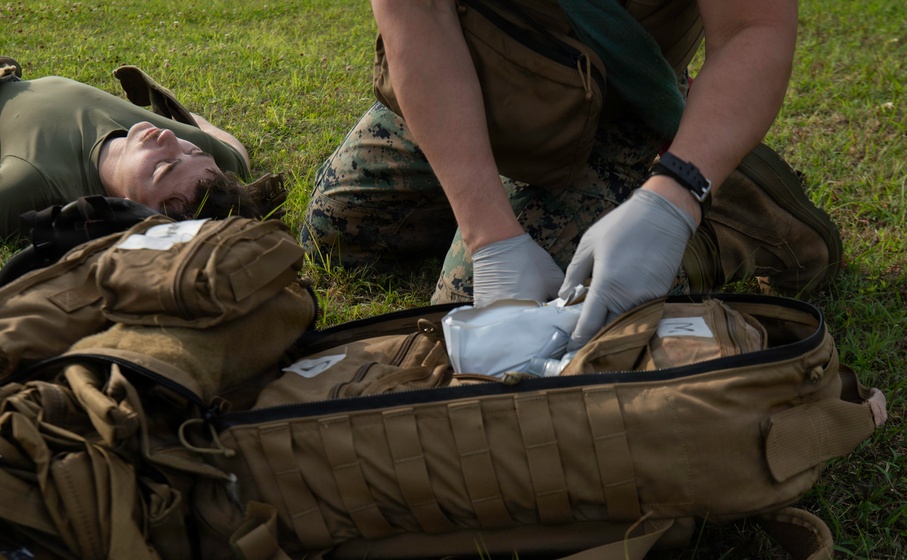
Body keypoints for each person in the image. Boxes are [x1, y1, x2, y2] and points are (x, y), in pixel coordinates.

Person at [303, 1, 842, 346]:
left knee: (494, 324)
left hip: (610, 102)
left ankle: (721, 219)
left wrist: (671, 201)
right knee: (338, 232)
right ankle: (514, 202)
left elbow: (754, 27)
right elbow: (416, 11)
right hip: (479, 70)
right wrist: (488, 234)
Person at [0, 60, 273, 238]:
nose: (168, 137)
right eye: (192, 152)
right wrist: (193, 120)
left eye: (163, 167)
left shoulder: (31, 182)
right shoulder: (198, 156)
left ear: (137, 211)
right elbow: (235, 154)